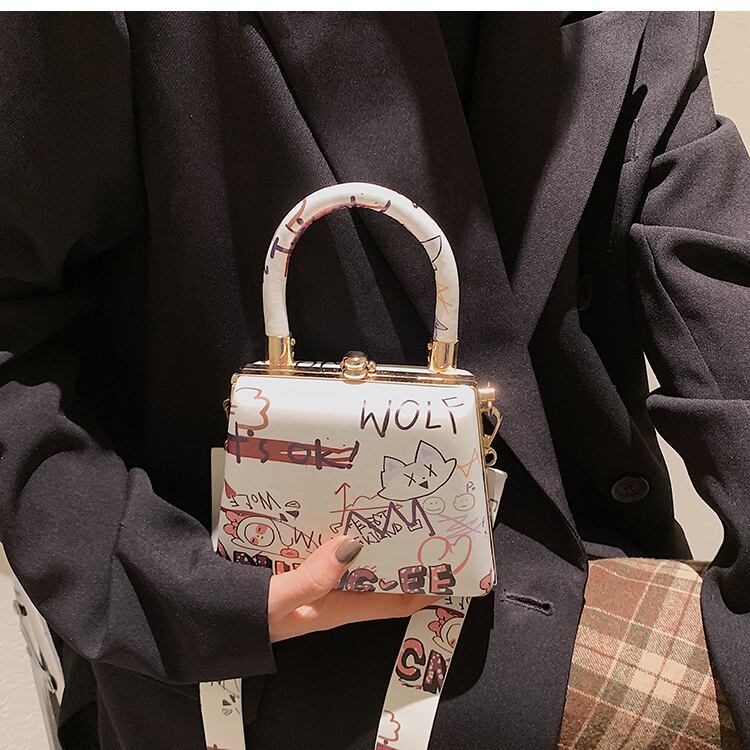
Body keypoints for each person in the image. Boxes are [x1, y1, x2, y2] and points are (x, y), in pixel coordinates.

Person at [0, 11, 748, 750]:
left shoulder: (629, 24)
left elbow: (718, 281)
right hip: (260, 669)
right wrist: (180, 590)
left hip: (575, 586)